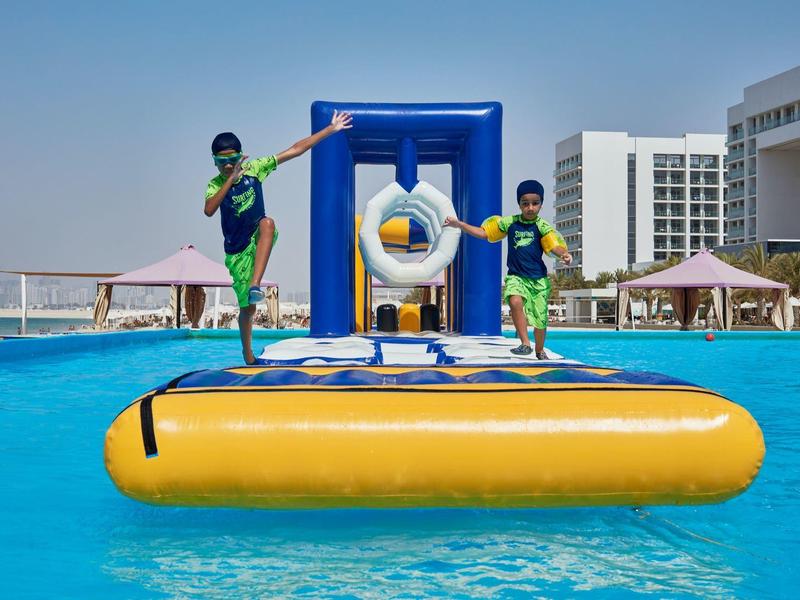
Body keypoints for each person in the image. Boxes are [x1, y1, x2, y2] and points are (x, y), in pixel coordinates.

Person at [204, 110, 353, 364]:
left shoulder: (256, 169)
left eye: (233, 160)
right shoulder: (215, 184)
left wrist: (330, 130)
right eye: (222, 162)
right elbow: (209, 210)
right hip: (236, 252)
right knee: (247, 310)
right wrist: (230, 179)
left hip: (256, 237)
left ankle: (255, 284)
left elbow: (294, 150)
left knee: (268, 223)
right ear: (215, 162)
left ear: (242, 156)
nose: (228, 165)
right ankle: (247, 352)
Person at [444, 179, 572, 359]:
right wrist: (460, 224)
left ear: (541, 204)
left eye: (535, 203)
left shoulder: (542, 226)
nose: (530, 208)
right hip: (516, 276)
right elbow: (484, 233)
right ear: (519, 203)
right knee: (515, 301)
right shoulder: (510, 223)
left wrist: (564, 254)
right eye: (525, 203)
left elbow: (553, 246)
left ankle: (539, 350)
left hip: (538, 280)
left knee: (540, 321)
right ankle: (525, 344)